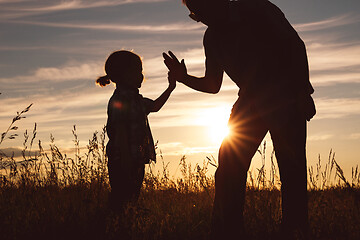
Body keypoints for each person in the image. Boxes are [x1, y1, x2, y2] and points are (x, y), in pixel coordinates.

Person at [163, 0, 316, 239]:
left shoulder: (257, 8)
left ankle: (294, 231)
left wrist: (302, 91)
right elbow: (213, 85)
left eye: (201, 9)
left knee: (292, 168)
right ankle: (226, 231)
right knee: (228, 166)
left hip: (285, 98)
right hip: (249, 103)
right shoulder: (211, 37)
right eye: (195, 14)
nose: (200, 17)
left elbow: (295, 46)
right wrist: (183, 78)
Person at [97, 50, 176, 213]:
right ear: (123, 75)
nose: (141, 75)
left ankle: (125, 223)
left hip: (135, 158)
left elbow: (155, 106)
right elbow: (120, 131)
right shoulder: (120, 99)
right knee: (121, 197)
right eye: (137, 71)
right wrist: (126, 158)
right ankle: (114, 226)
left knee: (132, 197)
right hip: (122, 158)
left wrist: (171, 87)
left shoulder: (136, 99)